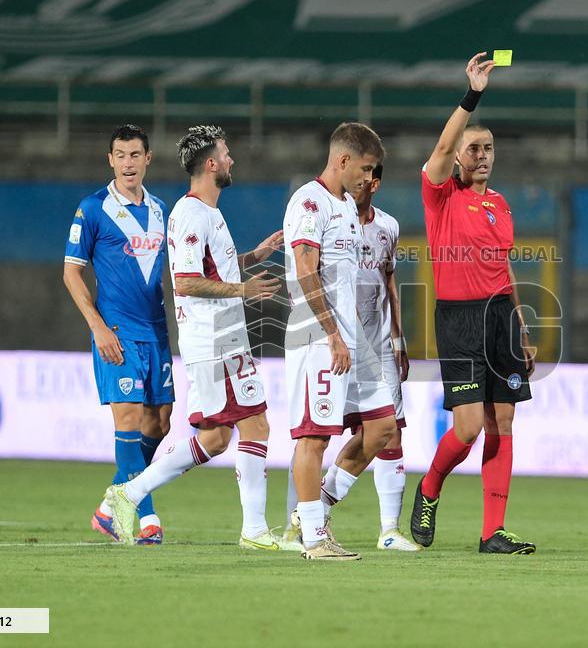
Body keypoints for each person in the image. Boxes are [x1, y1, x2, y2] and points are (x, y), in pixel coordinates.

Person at [104, 125, 283, 548]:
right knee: (255, 424)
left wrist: (253, 257)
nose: (232, 159)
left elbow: (211, 269)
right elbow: (185, 281)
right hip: (215, 341)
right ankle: (254, 531)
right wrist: (243, 290)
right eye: (226, 153)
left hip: (222, 339)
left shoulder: (209, 213)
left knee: (215, 439)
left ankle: (127, 494)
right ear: (211, 164)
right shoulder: (190, 213)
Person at [408, 53, 536, 555]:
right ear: (458, 156)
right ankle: (430, 486)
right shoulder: (440, 195)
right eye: (473, 148)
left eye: (488, 148)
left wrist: (521, 326)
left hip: (501, 317)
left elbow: (504, 268)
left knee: (503, 421)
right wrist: (472, 95)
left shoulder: (500, 203)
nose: (482, 155)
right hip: (459, 320)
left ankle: (492, 532)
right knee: (467, 427)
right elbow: (442, 145)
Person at [280, 163, 421, 552]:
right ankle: (311, 530)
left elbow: (388, 280)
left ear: (375, 183)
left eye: (369, 173)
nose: (361, 181)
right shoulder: (316, 205)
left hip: (368, 341)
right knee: (315, 435)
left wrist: (396, 338)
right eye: (361, 168)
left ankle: (328, 513)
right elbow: (306, 270)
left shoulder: (383, 226)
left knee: (385, 427)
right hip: (327, 339)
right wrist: (333, 333)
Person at [63, 124, 172, 545]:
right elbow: (71, 273)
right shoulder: (93, 208)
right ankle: (148, 518)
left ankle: (109, 507)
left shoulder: (161, 210)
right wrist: (97, 326)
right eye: (120, 155)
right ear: (110, 160)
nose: (128, 163)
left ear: (148, 159)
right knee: (128, 419)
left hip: (156, 332)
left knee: (159, 423)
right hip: (116, 333)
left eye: (135, 155)